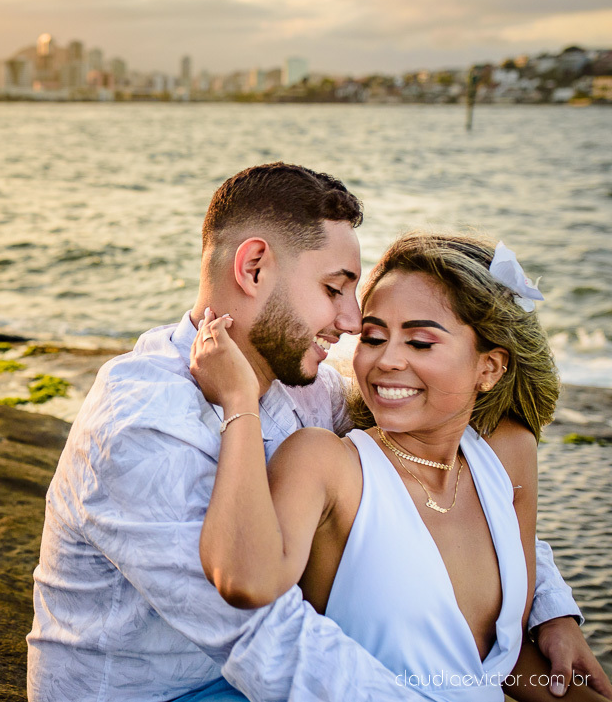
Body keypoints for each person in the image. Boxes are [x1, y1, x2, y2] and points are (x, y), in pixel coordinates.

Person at [26, 163, 609, 702]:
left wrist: (548, 609)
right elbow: (264, 637)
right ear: (253, 268)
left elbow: (444, 480)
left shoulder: (307, 388)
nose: (353, 322)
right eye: (335, 288)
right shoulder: (143, 425)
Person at [192, 232, 609, 701]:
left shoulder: (509, 452)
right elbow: (245, 582)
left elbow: (490, 657)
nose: (386, 361)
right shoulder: (327, 464)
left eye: (420, 342)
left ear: (489, 368)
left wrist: (555, 618)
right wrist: (239, 401)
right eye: (373, 337)